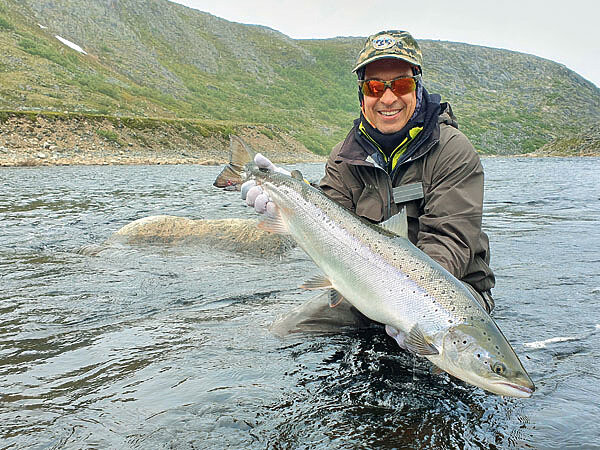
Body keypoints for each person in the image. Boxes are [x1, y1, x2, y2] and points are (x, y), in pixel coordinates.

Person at [243, 30, 495, 335]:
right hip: (363, 284)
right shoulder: (344, 156)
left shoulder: (452, 149)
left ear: (417, 87)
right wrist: (287, 202)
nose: (388, 98)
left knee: (442, 366)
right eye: (375, 87)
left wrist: (408, 305)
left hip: (448, 295)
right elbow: (328, 223)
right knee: (287, 332)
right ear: (363, 95)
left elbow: (450, 241)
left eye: (401, 85)